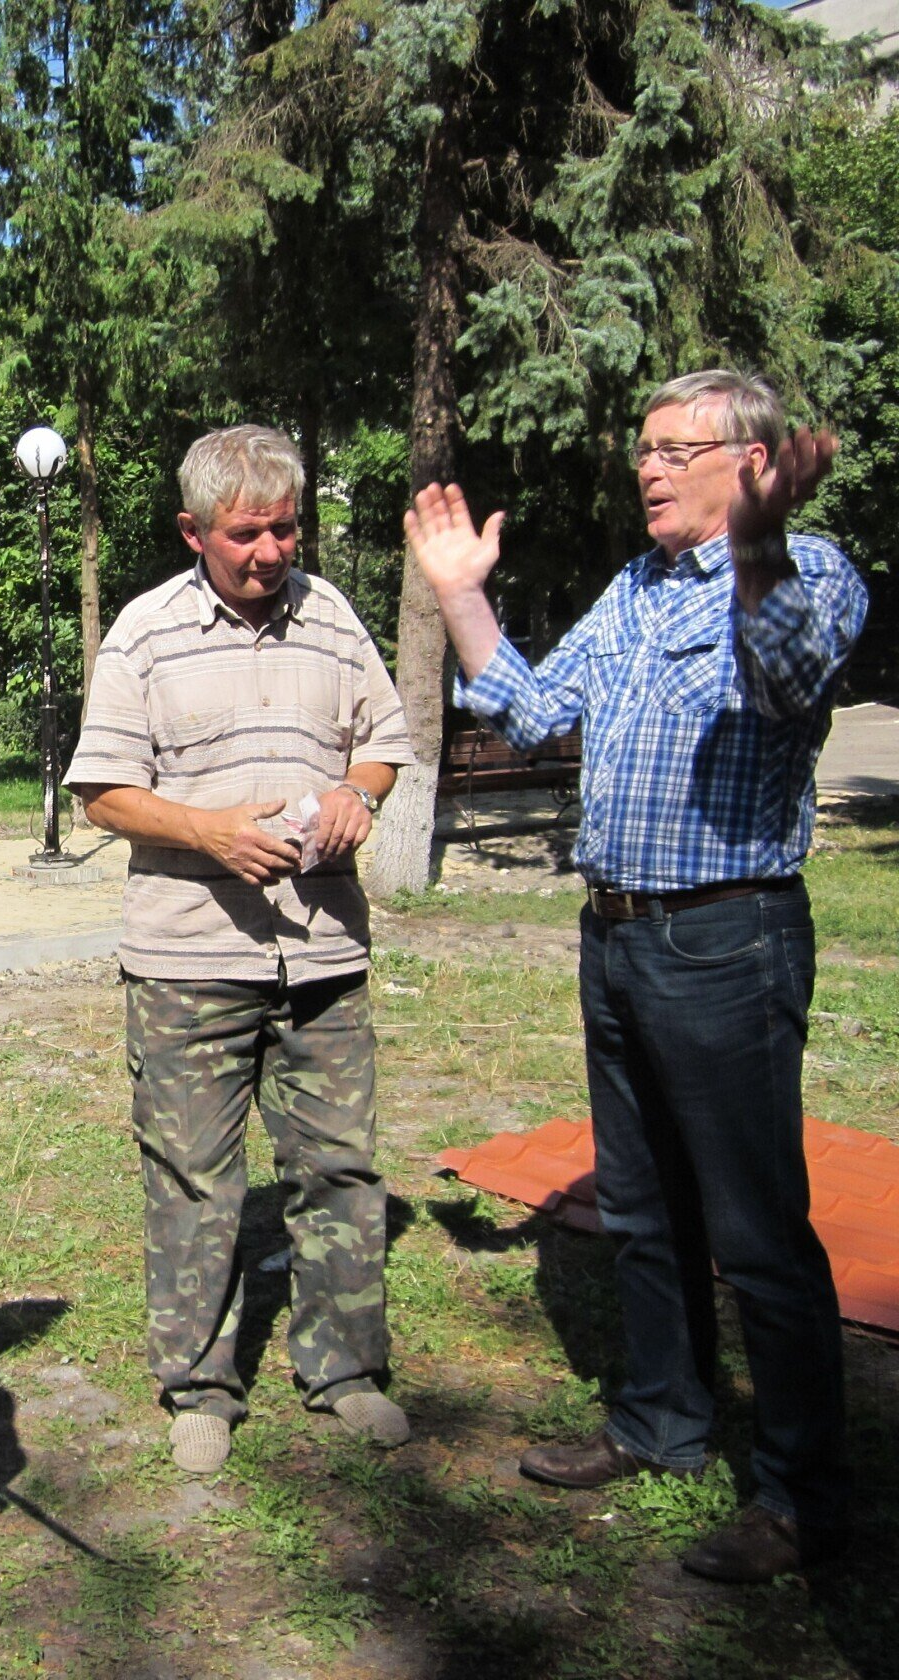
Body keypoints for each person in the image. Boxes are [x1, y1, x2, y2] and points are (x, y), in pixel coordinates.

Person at [405, 368, 866, 1583]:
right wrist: (461, 598)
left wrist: (761, 540)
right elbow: (531, 708)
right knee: (645, 1204)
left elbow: (788, 683)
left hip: (729, 937)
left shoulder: (811, 573)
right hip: (615, 934)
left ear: (752, 463)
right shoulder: (639, 586)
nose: (647, 468)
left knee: (758, 1232)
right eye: (643, 449)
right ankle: (662, 1422)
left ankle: (800, 1493)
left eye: (674, 449)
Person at [67, 424, 416, 1475]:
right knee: (192, 1179)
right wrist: (210, 829)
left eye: (285, 528)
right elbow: (101, 792)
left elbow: (385, 742)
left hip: (322, 955)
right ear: (193, 532)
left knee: (338, 1167)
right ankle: (201, 1385)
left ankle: (345, 1371)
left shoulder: (335, 615)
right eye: (246, 533)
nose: (271, 552)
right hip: (188, 962)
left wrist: (359, 795)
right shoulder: (144, 633)